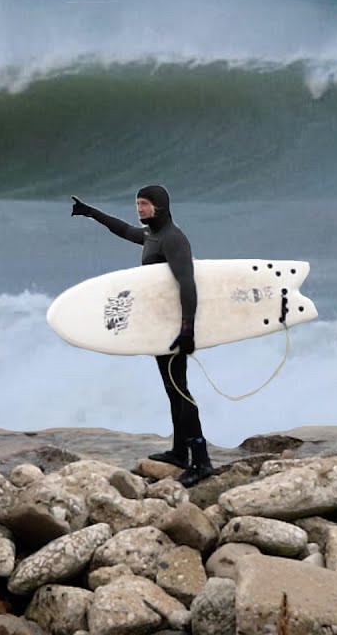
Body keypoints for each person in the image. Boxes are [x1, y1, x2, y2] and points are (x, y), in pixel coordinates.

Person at [70, 185, 215, 486]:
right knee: (172, 388)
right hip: (160, 326)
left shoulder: (174, 240)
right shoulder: (152, 237)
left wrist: (187, 329)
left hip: (176, 326)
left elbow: (187, 284)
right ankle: (179, 452)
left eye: (144, 204)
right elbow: (122, 229)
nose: (139, 209)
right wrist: (90, 213)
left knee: (181, 390)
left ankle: (201, 461)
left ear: (160, 206)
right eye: (137, 204)